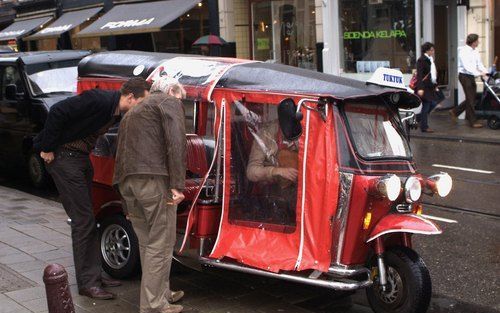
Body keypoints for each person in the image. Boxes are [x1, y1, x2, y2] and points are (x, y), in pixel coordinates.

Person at [33, 77, 151, 300]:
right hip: (64, 158)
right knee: (83, 220)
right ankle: (88, 283)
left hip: (79, 159)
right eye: (142, 102)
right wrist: (47, 147)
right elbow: (58, 111)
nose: (142, 107)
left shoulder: (116, 112)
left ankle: (96, 274)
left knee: (90, 218)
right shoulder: (99, 99)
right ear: (130, 97)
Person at [114, 77, 187, 313]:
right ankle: (154, 305)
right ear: (172, 91)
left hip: (128, 183)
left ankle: (161, 294)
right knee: (162, 243)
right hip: (154, 180)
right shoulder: (168, 101)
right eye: (181, 98)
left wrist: (124, 201)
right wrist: (177, 184)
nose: (180, 104)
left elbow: (120, 153)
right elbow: (176, 143)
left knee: (147, 244)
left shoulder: (132, 113)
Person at [246, 120, 298, 224]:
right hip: (275, 191)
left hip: (302, 189)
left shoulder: (310, 129)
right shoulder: (266, 134)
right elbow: (251, 172)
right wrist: (276, 171)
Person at [450, 33, 488, 128]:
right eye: (477, 41)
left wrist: (485, 72)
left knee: (472, 97)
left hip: (471, 76)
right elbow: (467, 67)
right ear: (474, 42)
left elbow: (479, 63)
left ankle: (455, 111)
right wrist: (479, 73)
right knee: (471, 98)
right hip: (464, 76)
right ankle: (473, 121)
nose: (479, 42)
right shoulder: (463, 51)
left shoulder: (475, 51)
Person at [415, 42, 439, 133]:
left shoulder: (430, 59)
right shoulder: (421, 60)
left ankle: (417, 119)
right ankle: (424, 127)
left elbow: (433, 74)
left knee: (433, 103)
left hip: (430, 86)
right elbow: (420, 75)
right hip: (424, 87)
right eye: (432, 50)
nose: (433, 51)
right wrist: (420, 88)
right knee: (426, 105)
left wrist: (435, 85)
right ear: (427, 50)